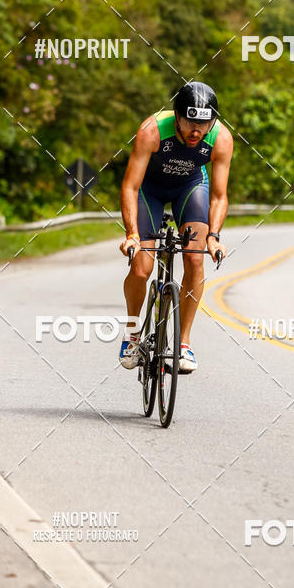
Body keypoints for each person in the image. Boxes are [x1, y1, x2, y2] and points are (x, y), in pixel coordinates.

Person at [118, 82, 233, 373]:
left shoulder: (220, 139)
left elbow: (219, 195)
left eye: (204, 123)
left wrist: (214, 237)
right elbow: (131, 187)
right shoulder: (152, 130)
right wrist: (132, 234)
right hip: (150, 190)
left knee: (195, 259)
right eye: (190, 122)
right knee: (142, 267)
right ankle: (132, 334)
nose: (197, 130)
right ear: (177, 116)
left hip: (190, 186)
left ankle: (184, 344)